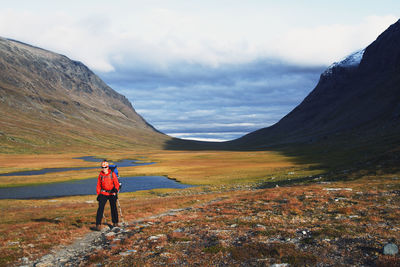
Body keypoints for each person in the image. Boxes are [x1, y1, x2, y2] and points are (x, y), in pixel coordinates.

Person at [94, 160, 120, 231]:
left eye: (105, 167)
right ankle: (98, 224)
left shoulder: (112, 174)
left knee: (113, 208)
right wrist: (98, 194)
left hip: (112, 193)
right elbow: (98, 185)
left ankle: (115, 222)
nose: (104, 169)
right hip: (103, 193)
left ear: (108, 167)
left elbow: (116, 183)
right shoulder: (101, 175)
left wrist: (115, 190)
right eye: (102, 167)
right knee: (100, 208)